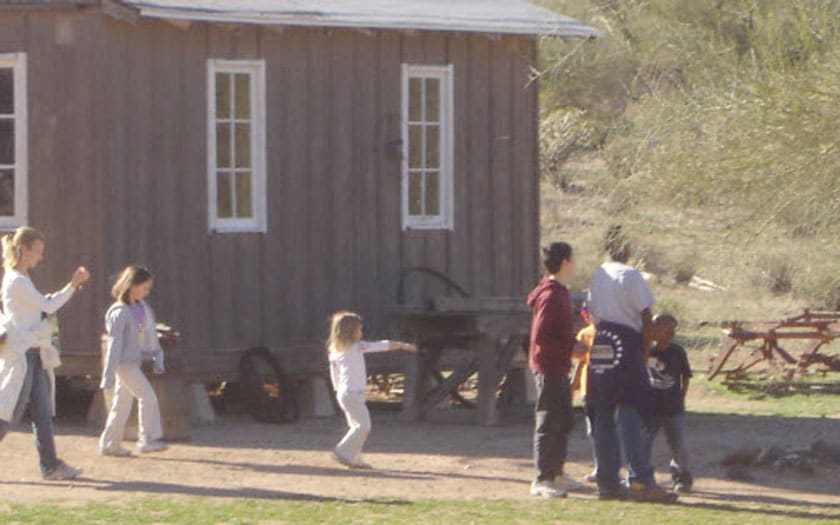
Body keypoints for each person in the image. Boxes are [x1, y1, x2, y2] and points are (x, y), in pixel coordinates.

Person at [586, 225, 676, 502]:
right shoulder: (630, 274)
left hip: (601, 343)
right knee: (630, 411)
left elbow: (592, 314)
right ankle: (640, 480)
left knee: (602, 412)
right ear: (625, 248)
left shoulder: (597, 275)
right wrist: (644, 350)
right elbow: (646, 316)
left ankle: (607, 481)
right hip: (626, 343)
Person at [0, 226, 89, 480]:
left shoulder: (21, 278)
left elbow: (38, 306)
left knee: (42, 412)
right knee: (10, 413)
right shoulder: (17, 280)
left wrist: (66, 290)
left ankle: (50, 465)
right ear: (24, 250)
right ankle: (50, 465)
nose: (41, 256)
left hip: (32, 352)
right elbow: (48, 306)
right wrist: (72, 285)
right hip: (23, 354)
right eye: (37, 251)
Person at [526, 242, 587, 498]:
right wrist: (572, 347)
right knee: (548, 422)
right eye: (572, 258)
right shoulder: (551, 295)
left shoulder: (559, 291)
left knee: (563, 420)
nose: (575, 262)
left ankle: (558, 473)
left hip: (558, 365)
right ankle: (542, 479)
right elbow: (542, 336)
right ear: (564, 262)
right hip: (548, 365)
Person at [327, 311, 417, 469]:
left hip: (344, 393)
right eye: (359, 328)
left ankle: (355, 458)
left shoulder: (334, 351)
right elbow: (382, 345)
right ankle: (341, 451)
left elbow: (334, 374)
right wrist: (402, 345)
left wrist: (337, 390)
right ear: (352, 330)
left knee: (356, 427)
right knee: (364, 426)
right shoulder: (357, 347)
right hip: (352, 393)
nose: (361, 331)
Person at [99, 266, 168, 456]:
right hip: (124, 364)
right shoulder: (119, 312)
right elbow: (114, 344)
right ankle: (147, 439)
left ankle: (110, 444)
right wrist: (108, 374)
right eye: (144, 287)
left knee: (121, 404)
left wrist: (156, 355)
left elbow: (148, 335)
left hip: (132, 362)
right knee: (148, 396)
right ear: (132, 286)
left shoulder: (142, 308)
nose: (147, 292)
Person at [646, 313, 693, 492]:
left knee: (678, 444)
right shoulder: (647, 349)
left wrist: (682, 396)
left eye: (658, 324)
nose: (653, 327)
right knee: (644, 442)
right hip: (650, 407)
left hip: (673, 407)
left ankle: (681, 477)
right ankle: (642, 475)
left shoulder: (677, 351)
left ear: (669, 331)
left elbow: (686, 376)